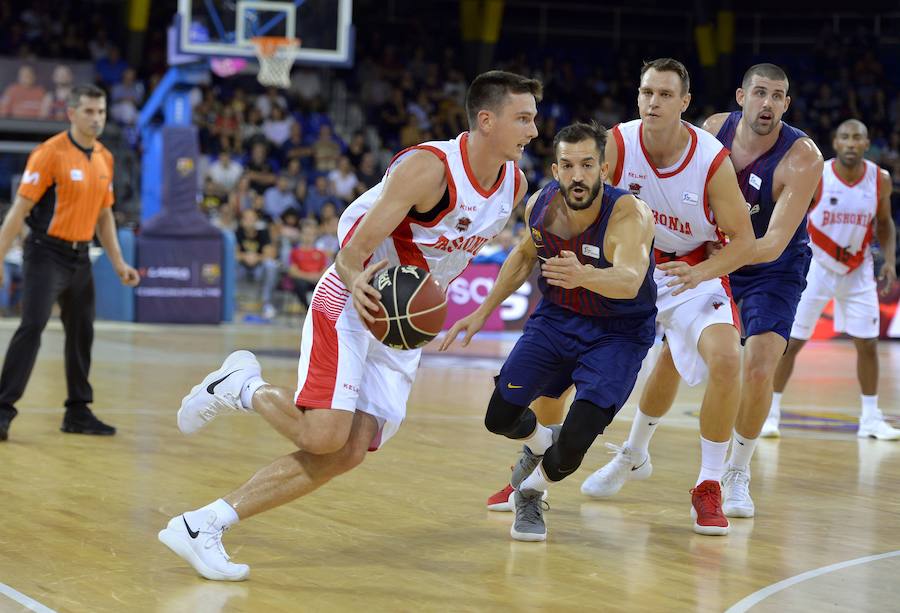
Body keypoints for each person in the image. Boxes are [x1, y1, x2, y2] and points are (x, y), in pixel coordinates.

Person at [158, 70, 541, 580]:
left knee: (349, 451)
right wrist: (357, 277)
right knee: (323, 436)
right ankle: (242, 386)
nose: (533, 130)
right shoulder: (430, 170)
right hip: (358, 299)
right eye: (524, 118)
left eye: (533, 118)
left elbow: (451, 258)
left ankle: (203, 524)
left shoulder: (513, 182)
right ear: (486, 120)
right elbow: (353, 248)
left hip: (403, 325)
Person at [441, 121, 657, 541]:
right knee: (498, 417)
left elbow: (630, 280)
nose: (578, 175)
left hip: (619, 332)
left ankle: (530, 492)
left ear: (605, 170)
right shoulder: (541, 205)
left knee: (571, 450)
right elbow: (523, 258)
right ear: (556, 170)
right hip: (558, 319)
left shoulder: (629, 213)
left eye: (588, 165)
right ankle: (540, 441)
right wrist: (483, 311)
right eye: (568, 165)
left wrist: (583, 275)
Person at [575, 58, 756, 535]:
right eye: (646, 92)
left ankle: (708, 484)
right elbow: (588, 211)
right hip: (633, 265)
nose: (653, 102)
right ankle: (534, 471)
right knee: (568, 354)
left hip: (691, 269)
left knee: (726, 360)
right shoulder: (616, 142)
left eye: (665, 95)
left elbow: (744, 241)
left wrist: (704, 275)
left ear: (685, 103)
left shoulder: (710, 158)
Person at [696, 64, 824, 518]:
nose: (767, 103)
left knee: (760, 364)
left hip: (775, 265)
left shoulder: (803, 156)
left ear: (787, 104)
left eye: (778, 96)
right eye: (760, 93)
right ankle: (635, 449)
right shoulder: (712, 131)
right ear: (741, 96)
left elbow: (771, 245)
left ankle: (737, 471)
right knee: (673, 355)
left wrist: (713, 260)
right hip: (720, 252)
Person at [0, 84, 140, 442]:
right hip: (46, 254)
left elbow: (104, 216)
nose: (96, 118)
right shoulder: (50, 153)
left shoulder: (105, 158)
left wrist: (119, 262)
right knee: (32, 327)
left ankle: (78, 411)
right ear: (72, 113)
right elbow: (19, 211)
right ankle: (2, 410)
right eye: (89, 111)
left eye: (102, 112)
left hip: (80, 258)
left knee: (82, 332)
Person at [769, 119, 898, 441]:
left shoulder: (880, 179)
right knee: (792, 343)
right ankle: (769, 414)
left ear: (867, 143)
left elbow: (884, 223)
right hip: (816, 267)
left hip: (859, 270)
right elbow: (794, 217)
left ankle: (870, 419)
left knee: (867, 344)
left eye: (857, 137)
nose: (851, 143)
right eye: (845, 137)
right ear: (836, 143)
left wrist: (890, 261)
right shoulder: (819, 174)